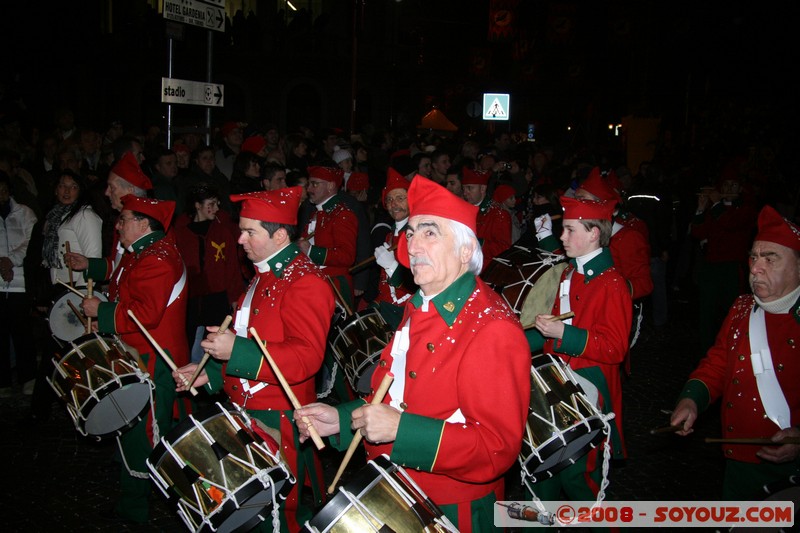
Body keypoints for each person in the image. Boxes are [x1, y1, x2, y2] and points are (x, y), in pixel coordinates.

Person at [295, 177, 531, 532]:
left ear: (466, 251)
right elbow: (395, 398)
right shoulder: (421, 306)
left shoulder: (491, 326)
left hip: (451, 510)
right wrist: (342, 419)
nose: (414, 244)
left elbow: (496, 448)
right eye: (412, 232)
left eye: (430, 233)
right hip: (398, 489)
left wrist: (402, 430)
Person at [172, 187, 335, 531]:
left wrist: (237, 351)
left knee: (276, 518)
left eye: (250, 232)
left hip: (278, 419)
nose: (239, 240)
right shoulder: (262, 274)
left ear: (279, 235)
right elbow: (248, 339)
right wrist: (211, 373)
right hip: (245, 412)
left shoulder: (306, 281)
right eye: (241, 229)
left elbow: (306, 358)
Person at [670, 205, 800, 500]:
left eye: (771, 259)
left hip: (790, 466)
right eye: (753, 257)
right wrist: (691, 399)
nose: (755, 268)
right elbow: (718, 364)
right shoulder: (743, 308)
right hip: (739, 459)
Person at [80, 194, 190, 524]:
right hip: (140, 353)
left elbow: (145, 315)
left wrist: (102, 310)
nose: (118, 224)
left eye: (124, 219)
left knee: (143, 433)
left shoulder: (156, 259)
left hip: (151, 358)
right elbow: (122, 288)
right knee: (139, 429)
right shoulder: (143, 253)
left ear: (143, 224)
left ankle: (136, 508)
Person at [525, 196, 632, 502]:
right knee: (541, 479)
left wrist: (564, 333)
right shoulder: (569, 274)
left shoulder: (612, 284)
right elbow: (549, 337)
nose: (562, 237)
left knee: (579, 480)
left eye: (570, 230)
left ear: (594, 233)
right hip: (558, 386)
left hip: (589, 392)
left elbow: (614, 348)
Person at [172, 185, 243, 363]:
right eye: (211, 204)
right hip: (191, 298)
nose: (217, 208)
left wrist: (235, 298)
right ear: (198, 205)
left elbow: (232, 268)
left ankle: (210, 380)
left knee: (214, 343)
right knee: (189, 341)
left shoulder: (222, 232)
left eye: (217, 204)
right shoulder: (180, 233)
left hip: (216, 298)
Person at [0, 171, 38, 398]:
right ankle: (2, 380)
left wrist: (10, 260)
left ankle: (28, 377)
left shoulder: (24, 213)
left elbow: (30, 242)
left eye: (4, 191)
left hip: (20, 283)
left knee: (22, 333)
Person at [370, 168, 417, 329]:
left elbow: (419, 283)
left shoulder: (419, 234)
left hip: (410, 312)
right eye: (389, 200)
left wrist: (392, 267)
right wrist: (376, 304)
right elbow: (385, 282)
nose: (393, 204)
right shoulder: (389, 235)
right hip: (390, 308)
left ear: (411, 199)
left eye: (399, 198)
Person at [461, 166, 512, 270]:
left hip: (486, 272)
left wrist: (475, 243)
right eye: (464, 188)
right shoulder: (461, 209)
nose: (465, 193)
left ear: (483, 188)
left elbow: (504, 249)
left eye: (470, 188)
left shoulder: (498, 214)